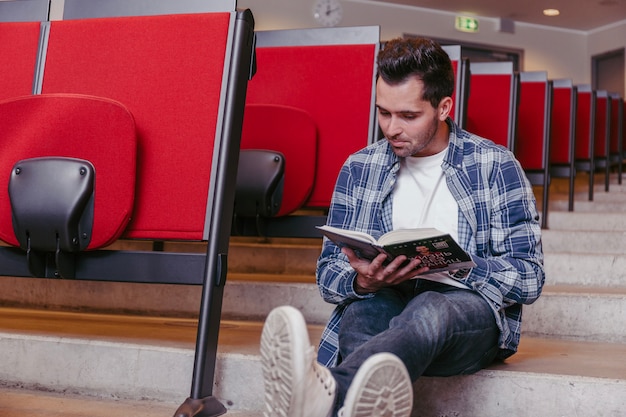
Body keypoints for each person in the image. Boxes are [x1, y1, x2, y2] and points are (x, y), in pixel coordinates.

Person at [260, 36, 545, 417]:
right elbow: (328, 276)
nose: (391, 129)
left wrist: (458, 265)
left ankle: (326, 393)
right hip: (388, 303)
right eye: (383, 113)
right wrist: (364, 282)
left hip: (464, 321)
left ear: (444, 107)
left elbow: (529, 277)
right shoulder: (360, 167)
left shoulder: (494, 165)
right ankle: (353, 406)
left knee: (431, 306)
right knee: (361, 311)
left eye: (408, 116)